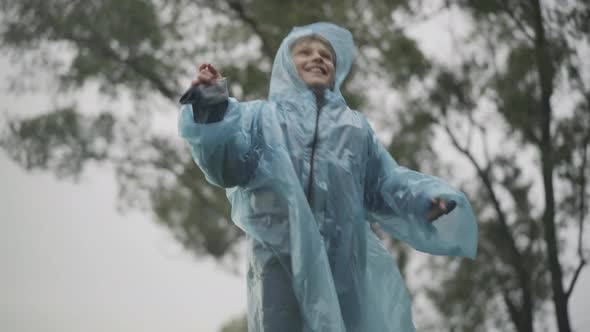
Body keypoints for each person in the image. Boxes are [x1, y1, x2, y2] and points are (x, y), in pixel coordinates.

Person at [179, 22, 477, 332]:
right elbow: (228, 167)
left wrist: (423, 202)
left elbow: (384, 185)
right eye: (304, 52)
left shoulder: (355, 129)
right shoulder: (261, 118)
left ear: (336, 70)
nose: (318, 58)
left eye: (326, 55)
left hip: (343, 263)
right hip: (278, 260)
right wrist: (212, 105)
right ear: (286, 64)